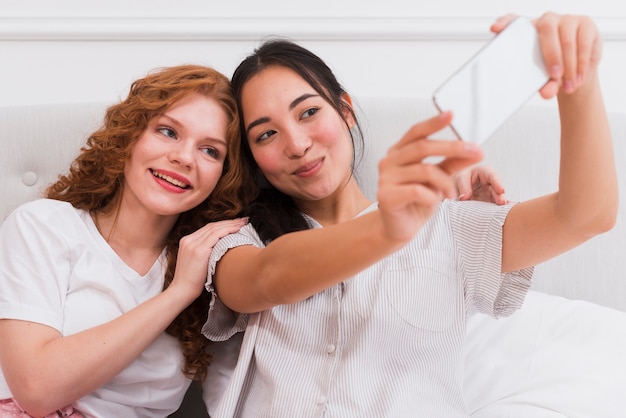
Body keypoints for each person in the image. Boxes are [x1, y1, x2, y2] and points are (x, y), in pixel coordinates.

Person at [201, 12, 618, 417]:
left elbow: (585, 216)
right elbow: (269, 278)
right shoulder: (239, 240)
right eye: (266, 134)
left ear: (345, 110)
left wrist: (577, 80)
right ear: (252, 156)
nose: (296, 144)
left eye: (309, 112)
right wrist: (388, 229)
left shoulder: (448, 224)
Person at [0, 65, 249, 417]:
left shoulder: (213, 265)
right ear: (130, 135)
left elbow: (237, 395)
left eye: (210, 151)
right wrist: (177, 294)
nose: (184, 157)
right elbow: (36, 389)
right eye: (168, 131)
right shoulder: (43, 226)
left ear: (223, 176)